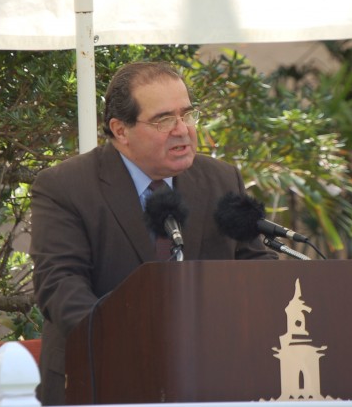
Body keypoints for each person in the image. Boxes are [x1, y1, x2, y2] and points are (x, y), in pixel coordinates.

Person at [30, 61, 276, 405]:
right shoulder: (66, 187)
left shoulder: (220, 180)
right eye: (163, 120)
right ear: (120, 130)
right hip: (99, 378)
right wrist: (140, 344)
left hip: (211, 381)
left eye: (187, 115)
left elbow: (253, 265)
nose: (183, 130)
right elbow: (60, 284)